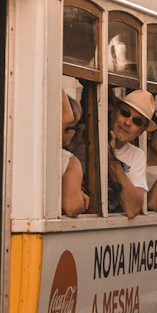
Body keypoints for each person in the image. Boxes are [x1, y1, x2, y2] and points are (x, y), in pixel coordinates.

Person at [107, 88, 155, 218]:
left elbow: (132, 208)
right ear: (114, 112)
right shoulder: (85, 141)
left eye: (137, 121)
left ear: (141, 131)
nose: (127, 123)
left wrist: (111, 160)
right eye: (125, 113)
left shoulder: (136, 155)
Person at [60, 79, 91, 216]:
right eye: (76, 127)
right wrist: (78, 194)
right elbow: (71, 208)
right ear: (67, 128)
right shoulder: (68, 162)